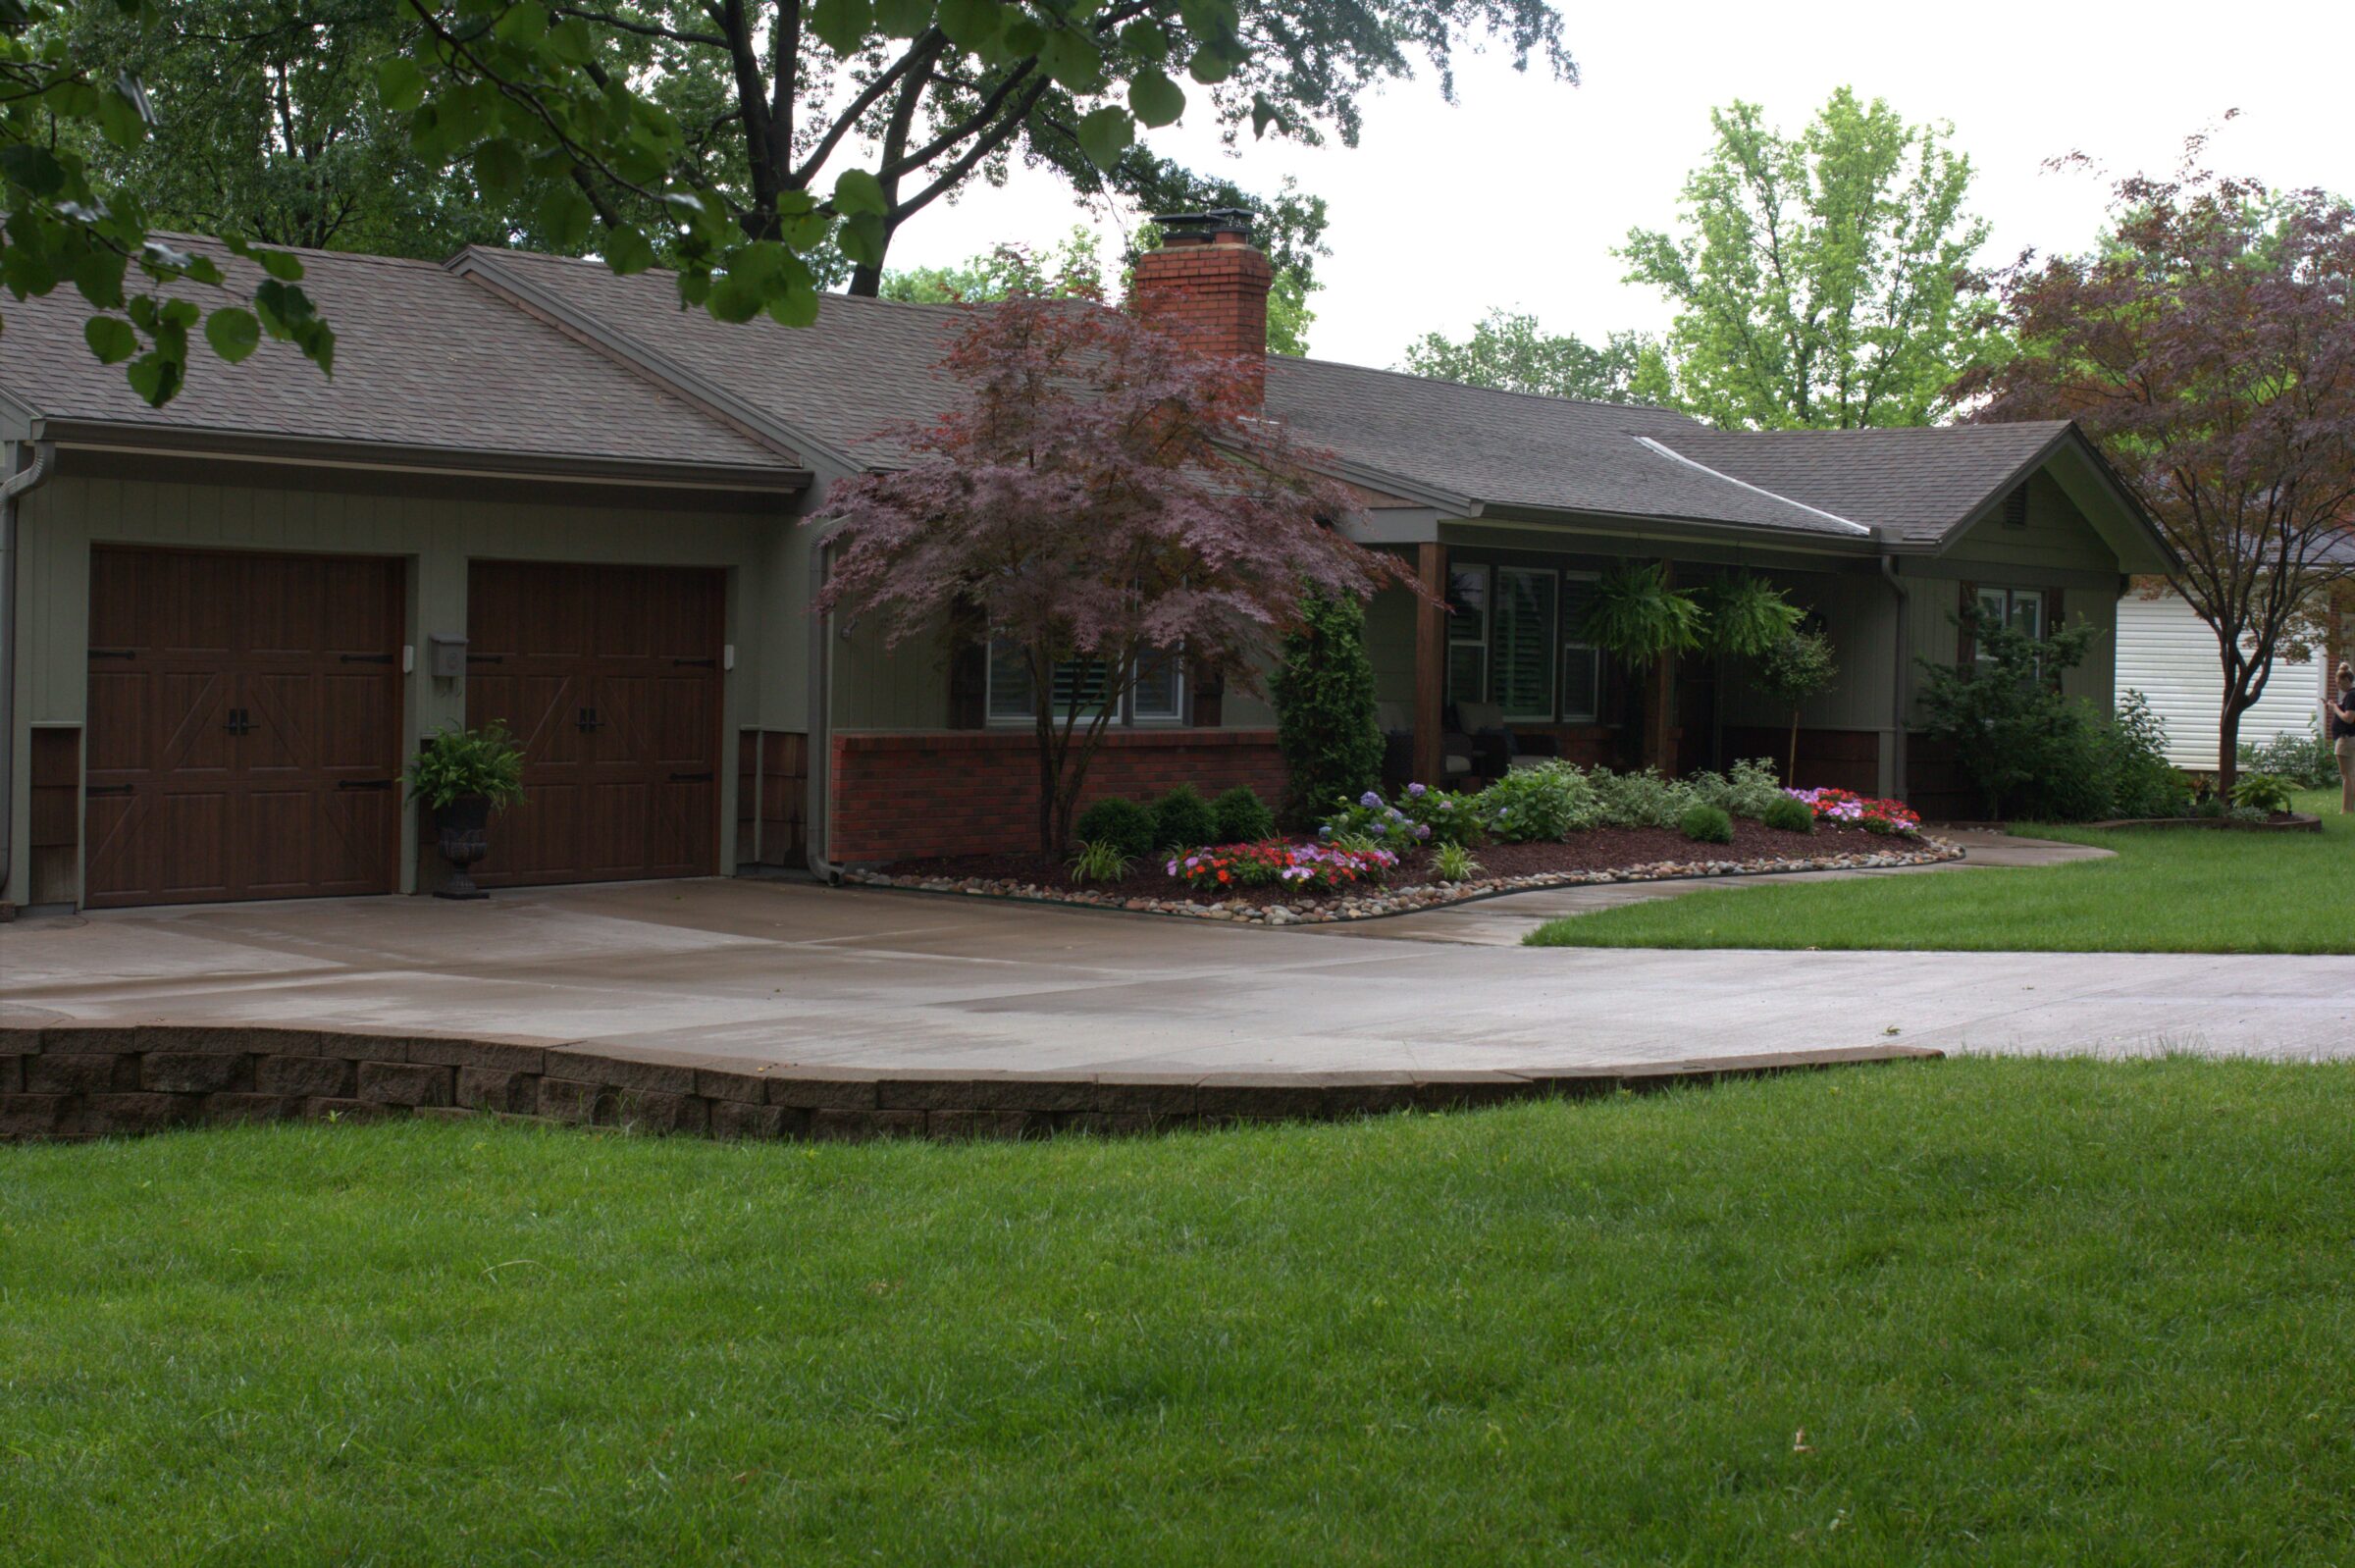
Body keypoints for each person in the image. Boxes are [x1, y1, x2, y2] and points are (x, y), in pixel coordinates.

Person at [2331, 661, 2355, 815]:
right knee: (2350, 774)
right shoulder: (2350, 696)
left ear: (2347, 680)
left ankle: (2346, 809)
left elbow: (2349, 718)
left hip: (2346, 739)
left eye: (2340, 682)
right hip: (2347, 739)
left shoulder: (2352, 695)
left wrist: (2335, 709)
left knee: (2347, 775)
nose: (2338, 686)